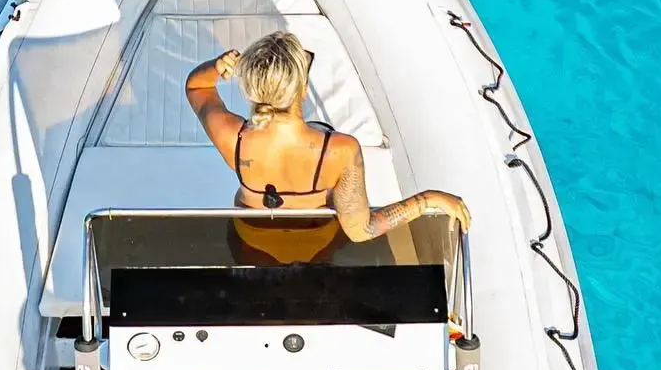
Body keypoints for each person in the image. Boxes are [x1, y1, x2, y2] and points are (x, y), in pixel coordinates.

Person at [185, 30, 470, 245]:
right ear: (303, 87)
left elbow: (196, 87)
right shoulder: (340, 150)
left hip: (250, 244)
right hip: (314, 248)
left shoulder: (233, 138)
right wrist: (427, 200)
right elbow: (361, 230)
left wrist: (215, 66)